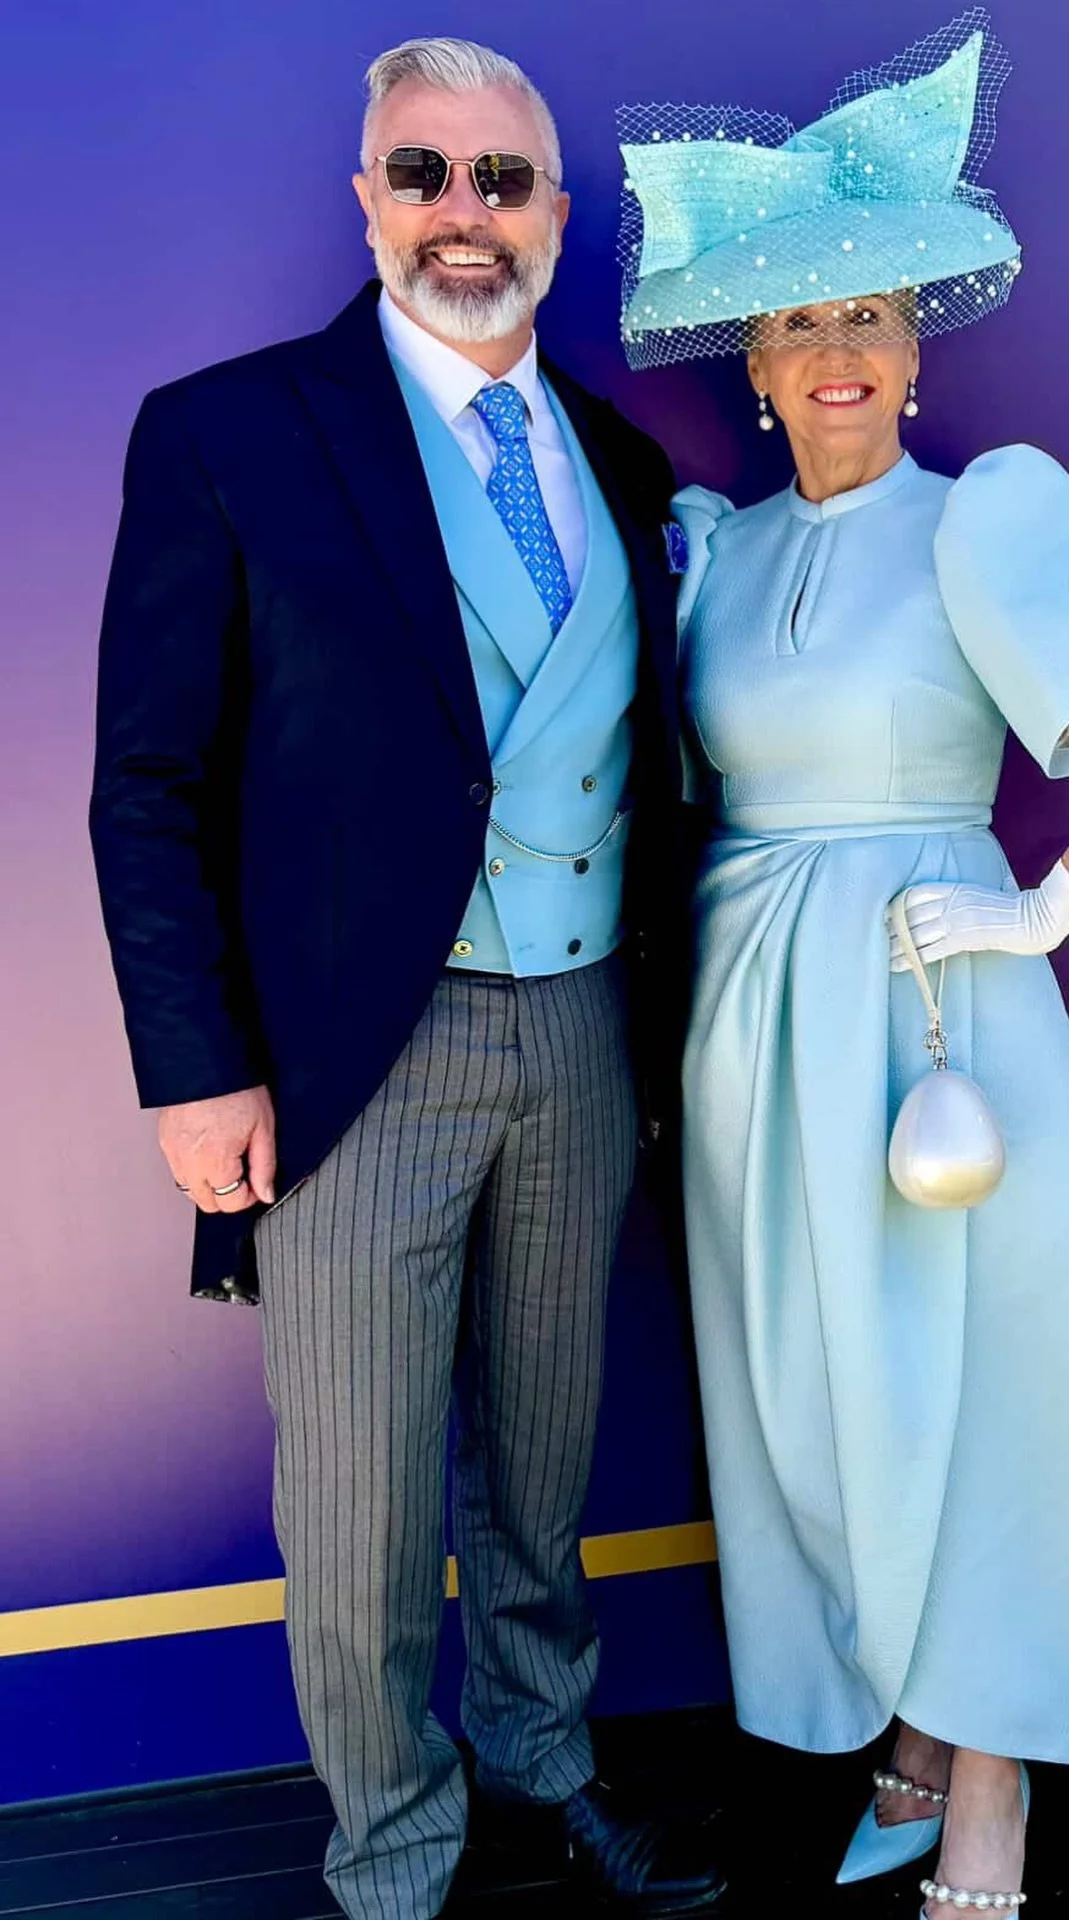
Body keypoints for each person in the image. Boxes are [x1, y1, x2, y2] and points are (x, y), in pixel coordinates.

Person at [617, 13, 1069, 1916]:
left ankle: (985, 1795)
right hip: (755, 1029)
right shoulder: (717, 553)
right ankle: (914, 1732)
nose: (835, 352)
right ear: (754, 369)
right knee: (825, 1398)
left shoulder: (986, 516)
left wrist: (1042, 910)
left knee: (973, 1387)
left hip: (934, 1014)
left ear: (918, 343)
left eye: (868, 318)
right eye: (795, 326)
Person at [90, 36, 722, 1920]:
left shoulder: (615, 458)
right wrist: (195, 1070)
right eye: (425, 174)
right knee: (360, 1505)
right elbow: (149, 782)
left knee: (543, 1460)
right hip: (364, 1054)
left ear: (552, 215)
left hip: (587, 1026)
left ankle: (544, 1767)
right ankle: (393, 1857)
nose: (468, 213)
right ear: (364, 198)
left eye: (504, 182)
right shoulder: (227, 430)